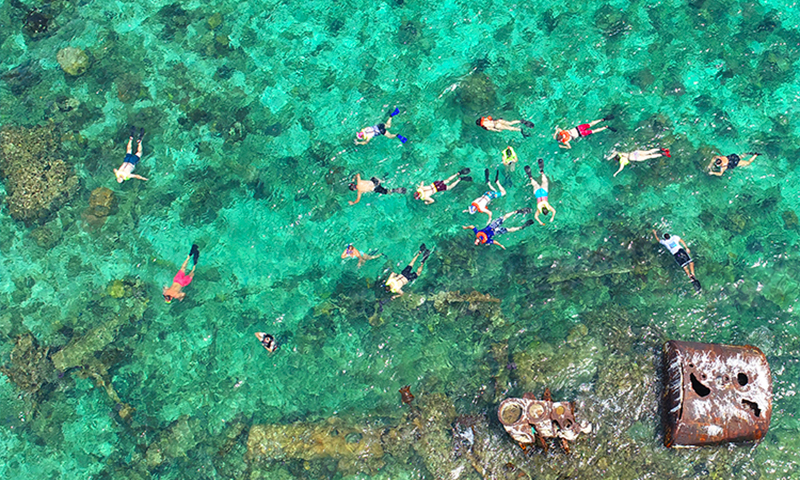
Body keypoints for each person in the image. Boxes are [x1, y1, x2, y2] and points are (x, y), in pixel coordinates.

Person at [463, 209, 534, 250]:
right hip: (495, 231)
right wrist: (500, 245)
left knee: (504, 217)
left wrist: (466, 227)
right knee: (508, 229)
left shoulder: (477, 234)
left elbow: (472, 226)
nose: (476, 241)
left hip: (492, 226)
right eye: (476, 243)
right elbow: (494, 242)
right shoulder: (486, 241)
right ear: (479, 243)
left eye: (475, 241)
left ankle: (516, 212)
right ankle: (521, 227)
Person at [525, 159, 556, 225]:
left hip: (544, 193)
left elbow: (554, 211)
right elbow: (536, 217)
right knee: (535, 184)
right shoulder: (539, 210)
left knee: (545, 181)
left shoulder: (548, 207)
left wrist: (552, 217)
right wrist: (540, 222)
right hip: (537, 194)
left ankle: (542, 172)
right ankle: (531, 177)